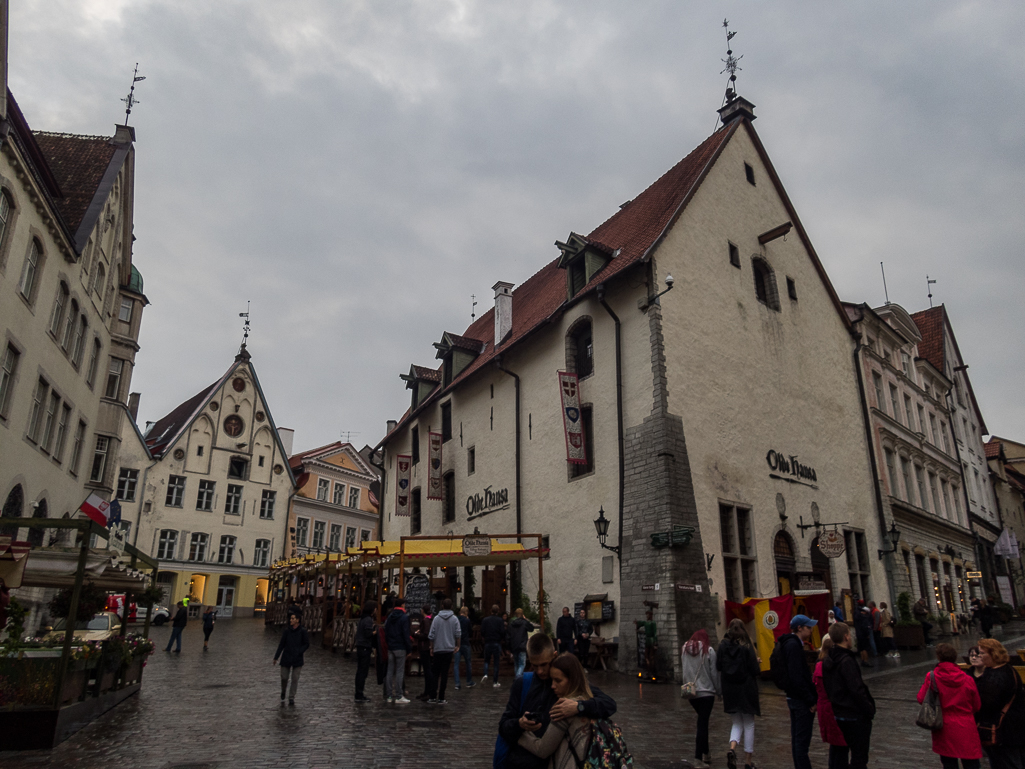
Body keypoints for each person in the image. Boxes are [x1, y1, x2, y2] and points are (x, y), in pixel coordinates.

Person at [498, 633, 617, 769]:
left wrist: (579, 706)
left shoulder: (566, 683)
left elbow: (609, 704)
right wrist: (519, 724)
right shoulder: (522, 684)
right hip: (519, 762)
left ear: (554, 656)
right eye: (534, 665)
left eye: (544, 664)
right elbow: (503, 726)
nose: (540, 671)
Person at [516, 653, 597, 769]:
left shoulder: (564, 708)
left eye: (558, 681)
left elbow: (542, 749)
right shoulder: (589, 701)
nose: (552, 686)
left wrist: (517, 730)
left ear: (572, 680)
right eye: (552, 680)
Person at [917, 642, 983, 769]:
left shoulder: (932, 677)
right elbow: (977, 705)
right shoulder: (967, 679)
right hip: (966, 725)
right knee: (971, 763)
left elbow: (921, 698)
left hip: (943, 726)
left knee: (949, 763)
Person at [822, 622, 875, 769]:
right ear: (846, 637)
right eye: (850, 635)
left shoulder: (829, 659)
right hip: (854, 715)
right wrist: (868, 709)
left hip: (840, 713)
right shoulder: (846, 660)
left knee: (849, 754)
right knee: (859, 757)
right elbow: (856, 689)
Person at [973, 638, 1025, 769]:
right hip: (1012, 727)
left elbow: (986, 703)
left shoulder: (997, 676)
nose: (980, 656)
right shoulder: (1008, 669)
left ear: (993, 654)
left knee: (1006, 762)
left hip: (1003, 729)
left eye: (982, 653)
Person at [717, 618, 760, 769]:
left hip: (730, 689)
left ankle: (732, 748)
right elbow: (755, 669)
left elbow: (718, 665)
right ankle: (748, 761)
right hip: (746, 688)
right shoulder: (746, 646)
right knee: (748, 723)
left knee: (736, 722)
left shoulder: (722, 646)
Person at [778, 614, 818, 769]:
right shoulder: (793, 646)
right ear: (800, 628)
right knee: (801, 743)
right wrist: (810, 700)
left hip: (794, 697)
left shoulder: (790, 644)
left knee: (797, 741)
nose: (811, 630)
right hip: (800, 700)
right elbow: (797, 676)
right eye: (808, 627)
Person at [680, 629, 720, 769]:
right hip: (707, 693)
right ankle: (698, 758)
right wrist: (719, 692)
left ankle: (707, 753)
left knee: (703, 721)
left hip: (691, 693)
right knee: (702, 724)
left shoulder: (684, 649)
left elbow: (684, 670)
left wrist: (686, 684)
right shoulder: (709, 651)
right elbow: (714, 674)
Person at [813, 637, 847, 769]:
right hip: (833, 709)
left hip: (824, 708)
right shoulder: (830, 667)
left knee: (835, 745)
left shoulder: (819, 665)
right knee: (841, 745)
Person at [273, 611, 310, 706]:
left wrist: (300, 651)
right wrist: (276, 657)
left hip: (297, 658)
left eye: (293, 619)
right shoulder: (287, 631)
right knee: (284, 677)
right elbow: (281, 644)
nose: (291, 620)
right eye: (291, 618)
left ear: (298, 620)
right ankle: (283, 691)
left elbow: (306, 644)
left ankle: (291, 697)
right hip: (286, 656)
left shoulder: (302, 631)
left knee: (295, 678)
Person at [428, 597, 461, 704]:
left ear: (442, 606)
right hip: (448, 649)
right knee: (444, 674)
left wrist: (431, 647)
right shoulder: (455, 619)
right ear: (451, 606)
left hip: (438, 648)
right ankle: (441, 697)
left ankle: (433, 696)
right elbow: (458, 634)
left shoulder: (436, 619)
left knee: (435, 673)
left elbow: (431, 635)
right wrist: (457, 645)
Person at [383, 597, 412, 704]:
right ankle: (399, 695)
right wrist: (409, 648)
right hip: (400, 646)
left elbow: (386, 631)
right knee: (400, 671)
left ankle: (389, 695)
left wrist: (388, 643)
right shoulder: (404, 617)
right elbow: (406, 634)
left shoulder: (390, 616)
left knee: (390, 671)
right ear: (403, 605)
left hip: (391, 646)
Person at [354, 600, 377, 703]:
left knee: (361, 671)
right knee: (362, 671)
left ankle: (359, 693)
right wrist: (375, 632)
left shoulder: (363, 618)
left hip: (360, 646)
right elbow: (368, 634)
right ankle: (359, 694)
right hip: (364, 646)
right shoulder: (368, 619)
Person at [414, 604, 435, 701]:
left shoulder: (426, 621)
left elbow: (426, 635)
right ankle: (427, 691)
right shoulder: (431, 620)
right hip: (427, 647)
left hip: (424, 647)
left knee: (427, 671)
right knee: (428, 670)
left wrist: (417, 635)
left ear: (423, 611)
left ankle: (428, 692)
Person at [481, 604, 505, 688]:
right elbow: (502, 632)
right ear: (498, 611)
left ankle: (485, 674)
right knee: (496, 662)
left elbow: (482, 631)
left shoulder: (485, 620)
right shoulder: (500, 620)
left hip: (488, 642)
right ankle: (495, 682)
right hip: (496, 642)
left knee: (486, 660)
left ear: (491, 610)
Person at [454, 605, 475, 690]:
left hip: (457, 644)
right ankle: (469, 681)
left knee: (456, 664)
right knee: (468, 663)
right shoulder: (467, 621)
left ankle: (457, 683)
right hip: (465, 643)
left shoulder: (456, 620)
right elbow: (470, 632)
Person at [508, 608, 534, 679]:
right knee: (522, 664)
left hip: (514, 646)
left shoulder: (512, 624)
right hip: (522, 645)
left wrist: (510, 647)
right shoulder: (524, 622)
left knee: (516, 664)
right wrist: (526, 619)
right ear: (522, 614)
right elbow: (531, 628)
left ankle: (517, 679)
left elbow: (508, 636)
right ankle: (518, 678)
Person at [637, 610, 658, 675]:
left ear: (651, 616)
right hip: (647, 640)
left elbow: (655, 633)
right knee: (646, 655)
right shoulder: (646, 623)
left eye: (648, 615)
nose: (647, 616)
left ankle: (652, 671)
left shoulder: (653, 623)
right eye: (647, 615)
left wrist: (655, 642)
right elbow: (641, 623)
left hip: (651, 640)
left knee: (651, 656)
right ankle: (648, 670)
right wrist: (637, 623)